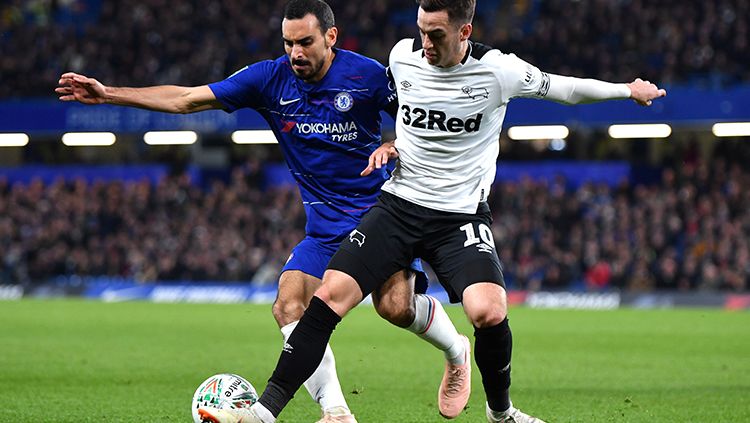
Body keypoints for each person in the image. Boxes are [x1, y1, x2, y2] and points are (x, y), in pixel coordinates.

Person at [196, 0, 668, 422]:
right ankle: (264, 413)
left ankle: (501, 414)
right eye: (421, 30)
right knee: (328, 297)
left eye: (436, 34)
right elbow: (400, 112)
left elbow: (563, 89)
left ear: (464, 32)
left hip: (459, 216)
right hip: (398, 206)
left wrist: (626, 91)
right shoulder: (402, 58)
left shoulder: (499, 71)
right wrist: (391, 145)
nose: (425, 43)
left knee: (487, 311)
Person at [56, 1, 473, 422]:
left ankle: (457, 350)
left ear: (330, 37)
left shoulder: (365, 75)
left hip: (379, 218)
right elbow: (186, 99)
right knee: (289, 304)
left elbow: (423, 115)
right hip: (324, 228)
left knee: (395, 308)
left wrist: (396, 144)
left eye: (305, 42)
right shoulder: (269, 79)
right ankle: (336, 411)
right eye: (288, 43)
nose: (295, 53)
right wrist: (110, 94)